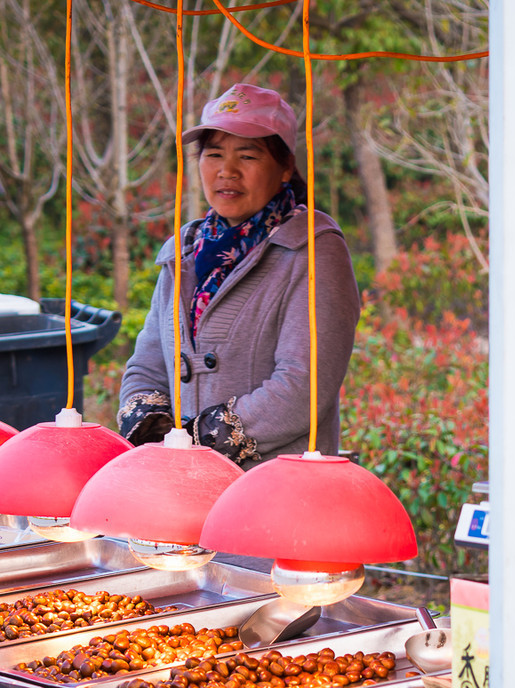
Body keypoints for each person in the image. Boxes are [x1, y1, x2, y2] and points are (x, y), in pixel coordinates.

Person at [119, 83, 360, 466]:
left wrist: (198, 440)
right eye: (213, 154)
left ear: (284, 168)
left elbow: (303, 386)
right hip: (179, 488)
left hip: (273, 494)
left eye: (247, 156)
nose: (226, 171)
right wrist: (154, 430)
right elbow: (146, 366)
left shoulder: (312, 250)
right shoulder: (184, 250)